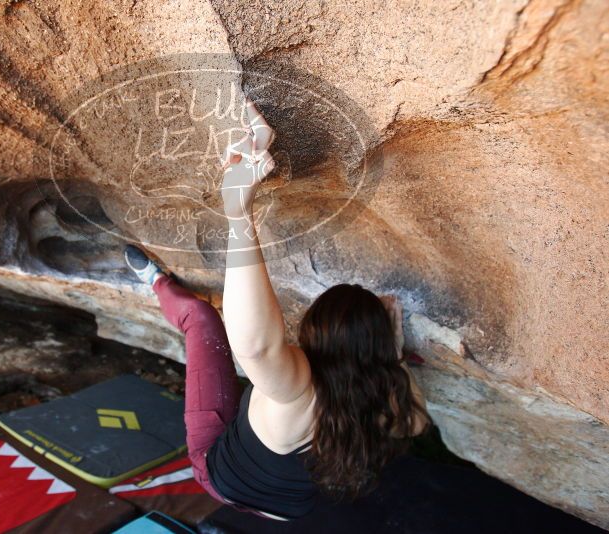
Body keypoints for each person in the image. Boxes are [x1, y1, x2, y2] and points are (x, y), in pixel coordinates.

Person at [123, 98, 429, 520]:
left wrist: (239, 214)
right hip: (283, 509)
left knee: (202, 320)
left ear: (315, 330)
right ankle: (156, 282)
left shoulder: (297, 387)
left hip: (218, 475)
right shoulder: (383, 398)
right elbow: (414, 424)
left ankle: (157, 283)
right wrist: (392, 356)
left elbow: (255, 348)